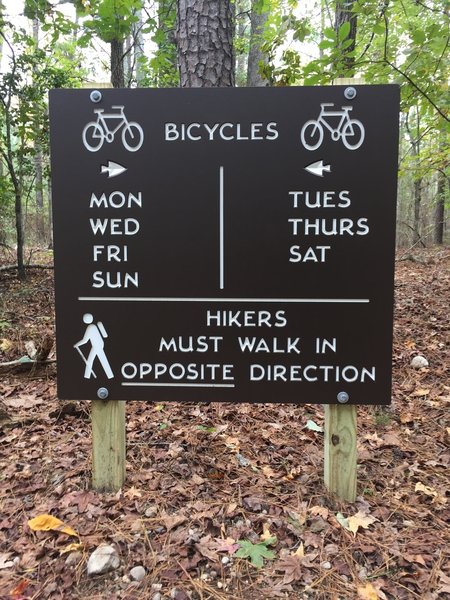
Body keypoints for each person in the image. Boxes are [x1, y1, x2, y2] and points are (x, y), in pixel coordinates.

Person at [74, 313, 114, 379]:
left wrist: (77, 344)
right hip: (98, 345)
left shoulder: (90, 327)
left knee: (99, 360)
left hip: (97, 346)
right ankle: (87, 375)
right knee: (92, 360)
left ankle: (109, 375)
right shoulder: (93, 326)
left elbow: (85, 340)